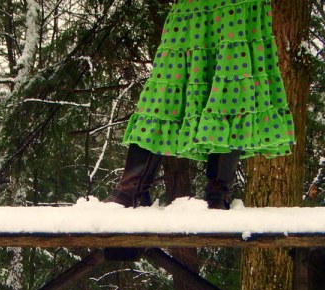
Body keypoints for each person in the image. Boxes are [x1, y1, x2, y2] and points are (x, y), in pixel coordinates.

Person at [106, 0, 295, 209]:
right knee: (161, 95)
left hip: (236, 8)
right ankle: (130, 192)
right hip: (188, 9)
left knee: (230, 92)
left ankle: (217, 195)